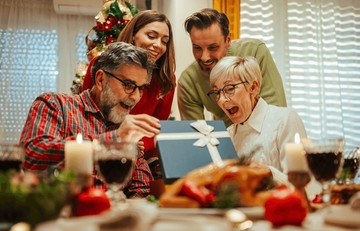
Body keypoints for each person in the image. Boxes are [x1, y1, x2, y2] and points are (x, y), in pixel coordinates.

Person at [19, 42, 160, 198]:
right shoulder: (56, 105)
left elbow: (141, 187)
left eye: (141, 88)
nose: (135, 97)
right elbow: (32, 156)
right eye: (128, 85)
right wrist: (114, 139)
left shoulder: (124, 126)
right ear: (100, 80)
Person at [82, 10, 176, 160]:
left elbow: (156, 129)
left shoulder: (166, 81)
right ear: (133, 35)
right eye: (151, 36)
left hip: (140, 156)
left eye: (164, 41)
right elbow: (86, 112)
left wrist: (136, 143)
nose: (158, 45)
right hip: (98, 148)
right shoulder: (100, 65)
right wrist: (115, 139)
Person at [178, 8, 286, 127]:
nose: (204, 57)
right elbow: (196, 135)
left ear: (228, 40)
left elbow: (276, 113)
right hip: (228, 140)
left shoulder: (255, 51)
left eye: (213, 47)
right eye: (197, 48)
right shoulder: (188, 81)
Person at [209, 56, 306, 180]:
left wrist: (267, 172)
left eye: (229, 89)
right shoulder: (227, 135)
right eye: (217, 92)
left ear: (253, 87)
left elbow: (301, 185)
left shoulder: (285, 119)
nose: (222, 100)